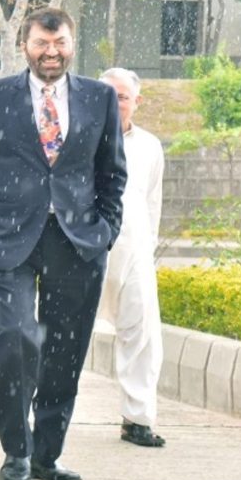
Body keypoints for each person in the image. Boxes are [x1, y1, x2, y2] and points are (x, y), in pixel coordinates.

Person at [0, 7, 126, 480]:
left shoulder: (100, 97)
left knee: (64, 353)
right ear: (24, 45)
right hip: (8, 240)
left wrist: (106, 230)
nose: (51, 52)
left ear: (72, 42)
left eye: (60, 43)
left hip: (78, 241)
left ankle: (48, 454)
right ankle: (16, 452)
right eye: (42, 44)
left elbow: (112, 172)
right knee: (18, 341)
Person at [99, 68, 166, 448]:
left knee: (142, 334)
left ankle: (137, 419)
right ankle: (45, 415)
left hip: (135, 249)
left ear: (136, 102)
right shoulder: (77, 138)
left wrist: (148, 249)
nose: (115, 103)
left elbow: (151, 202)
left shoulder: (150, 146)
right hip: (86, 247)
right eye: (107, 95)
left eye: (122, 97)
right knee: (60, 335)